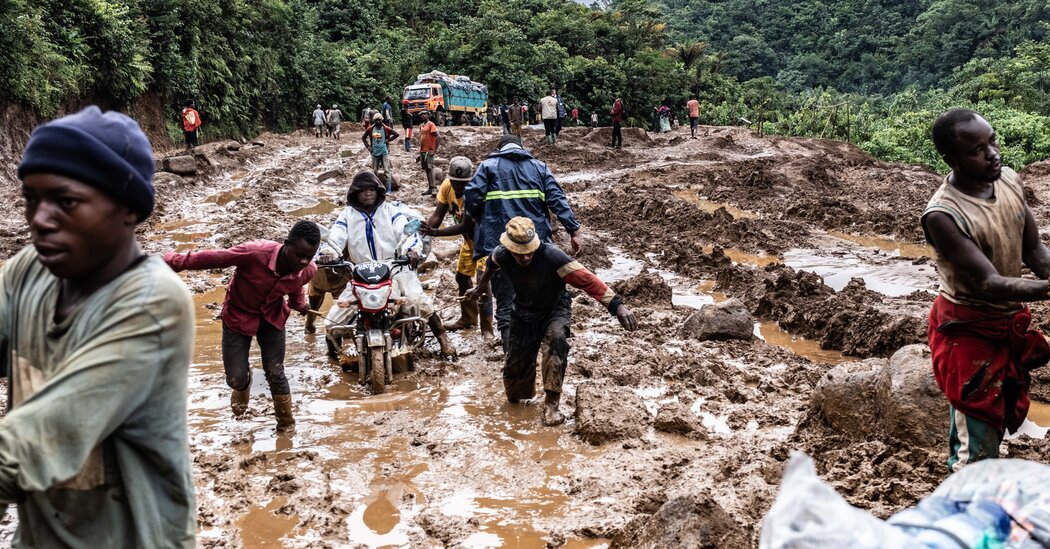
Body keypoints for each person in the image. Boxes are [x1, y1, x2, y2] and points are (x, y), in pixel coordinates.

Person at [5, 106, 195, 546]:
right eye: (31, 199)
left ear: (128, 209)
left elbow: (32, 443)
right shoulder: (27, 272)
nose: (39, 219)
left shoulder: (152, 305)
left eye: (66, 202)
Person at [922, 108, 1050, 472]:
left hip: (1006, 320)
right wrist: (1047, 289)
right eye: (977, 150)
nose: (992, 153)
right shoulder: (943, 215)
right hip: (968, 329)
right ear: (952, 160)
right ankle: (965, 517)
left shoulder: (1009, 180)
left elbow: (1035, 252)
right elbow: (988, 282)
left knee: (997, 419)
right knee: (975, 448)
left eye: (992, 140)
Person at [467, 217, 636, 425]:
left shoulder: (551, 256)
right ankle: (521, 399)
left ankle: (551, 404)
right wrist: (479, 288)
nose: (526, 256)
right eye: (520, 253)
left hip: (554, 309)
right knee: (514, 381)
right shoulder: (501, 255)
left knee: (557, 341)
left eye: (529, 250)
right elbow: (490, 266)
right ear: (510, 249)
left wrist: (617, 305)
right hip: (523, 311)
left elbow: (586, 279)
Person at [165, 221, 320, 432]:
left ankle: (287, 427)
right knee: (235, 377)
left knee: (275, 372)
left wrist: (300, 305)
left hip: (272, 317)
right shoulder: (255, 253)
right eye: (299, 255)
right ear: (286, 244)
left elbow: (295, 287)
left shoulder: (308, 270)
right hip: (239, 314)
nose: (303, 261)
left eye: (308, 257)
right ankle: (243, 384)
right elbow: (216, 257)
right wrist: (174, 262)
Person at [464, 135, 583, 349]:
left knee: (506, 306)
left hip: (499, 246)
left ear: (500, 149)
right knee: (542, 299)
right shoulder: (539, 168)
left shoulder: (488, 167)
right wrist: (573, 230)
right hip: (535, 248)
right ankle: (545, 346)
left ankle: (513, 358)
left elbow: (471, 196)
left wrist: (474, 216)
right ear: (521, 148)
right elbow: (557, 198)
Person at [321, 171, 455, 357]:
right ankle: (332, 353)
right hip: (362, 271)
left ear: (378, 191)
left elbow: (406, 233)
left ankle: (443, 339)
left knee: (417, 300)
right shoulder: (347, 215)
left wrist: (412, 250)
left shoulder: (391, 211)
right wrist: (328, 253)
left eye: (371, 189)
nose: (368, 193)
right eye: (363, 190)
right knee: (333, 320)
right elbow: (336, 235)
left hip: (395, 266)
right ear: (355, 193)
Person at [421, 156, 495, 340]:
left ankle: (487, 329)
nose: (458, 187)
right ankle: (468, 319)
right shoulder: (447, 185)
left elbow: (465, 226)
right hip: (469, 242)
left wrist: (435, 233)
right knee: (462, 277)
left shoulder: (478, 191)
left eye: (463, 184)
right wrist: (424, 231)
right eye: (455, 183)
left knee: (483, 282)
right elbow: (438, 214)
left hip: (484, 242)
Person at [362, 112, 400, 193]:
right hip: (374, 152)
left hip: (384, 152)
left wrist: (388, 140)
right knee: (374, 171)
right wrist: (368, 147)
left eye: (379, 120)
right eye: (376, 120)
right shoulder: (370, 129)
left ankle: (388, 190)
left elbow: (396, 134)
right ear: (374, 121)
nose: (378, 122)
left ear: (382, 120)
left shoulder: (386, 128)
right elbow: (363, 138)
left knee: (387, 170)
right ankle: (375, 189)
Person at [417, 110, 440, 195]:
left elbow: (438, 137)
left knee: (430, 169)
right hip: (423, 151)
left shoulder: (431, 124)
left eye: (424, 114)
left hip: (429, 151)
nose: (423, 115)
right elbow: (422, 139)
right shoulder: (421, 126)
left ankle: (433, 188)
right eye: (421, 114)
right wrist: (419, 153)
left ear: (428, 115)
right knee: (426, 169)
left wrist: (434, 150)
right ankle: (430, 188)